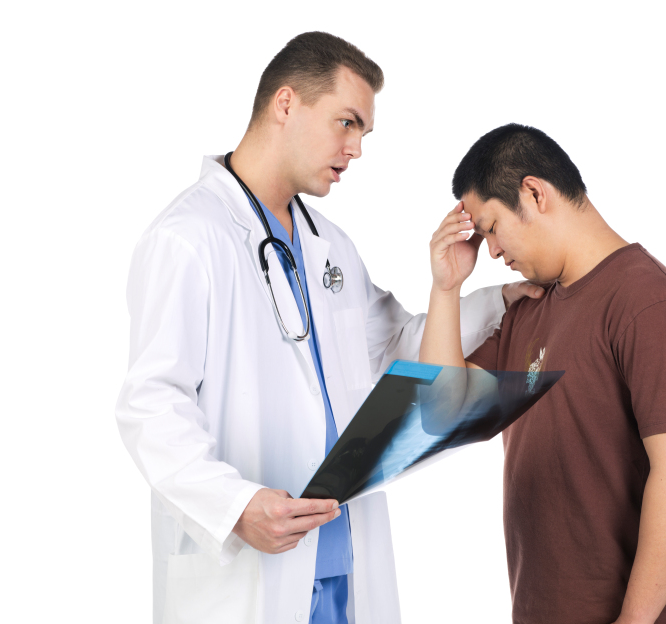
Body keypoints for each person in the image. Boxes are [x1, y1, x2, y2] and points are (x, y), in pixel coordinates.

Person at [115, 33, 538, 624]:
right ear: (286, 104)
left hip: (339, 559)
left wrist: (485, 298)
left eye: (364, 132)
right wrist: (236, 507)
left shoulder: (329, 245)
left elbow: (394, 349)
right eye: (347, 123)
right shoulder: (187, 238)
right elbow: (151, 404)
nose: (356, 148)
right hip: (248, 570)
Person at [419, 124, 666, 624]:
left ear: (534, 194)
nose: (492, 252)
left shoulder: (649, 301)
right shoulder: (529, 307)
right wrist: (445, 289)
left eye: (491, 228)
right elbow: (442, 416)